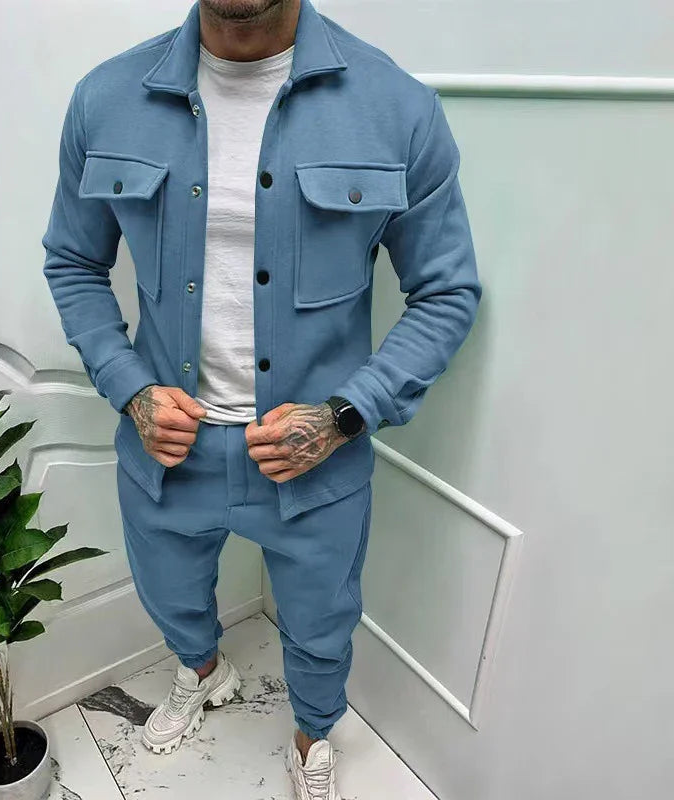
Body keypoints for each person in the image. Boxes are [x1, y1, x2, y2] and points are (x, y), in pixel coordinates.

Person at [42, 0, 481, 796]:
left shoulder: (397, 108)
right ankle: (202, 673)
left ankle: (313, 739)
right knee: (170, 594)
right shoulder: (103, 100)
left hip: (317, 453)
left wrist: (347, 414)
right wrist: (130, 389)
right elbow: (72, 261)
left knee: (321, 625)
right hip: (165, 449)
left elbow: (446, 292)